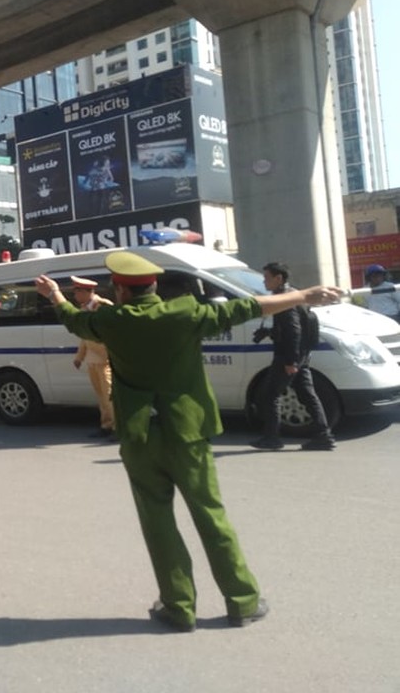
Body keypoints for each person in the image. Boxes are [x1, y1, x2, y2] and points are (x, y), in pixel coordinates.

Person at [35, 251, 344, 632]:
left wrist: (55, 294)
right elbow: (248, 307)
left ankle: (178, 607)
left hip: (140, 436)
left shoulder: (110, 320)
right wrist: (304, 296)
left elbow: (74, 321)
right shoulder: (185, 314)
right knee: (211, 516)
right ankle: (242, 601)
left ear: (119, 289)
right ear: (154, 287)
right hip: (188, 434)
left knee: (158, 521)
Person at [252, 262, 335, 451]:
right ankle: (324, 436)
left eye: (267, 277)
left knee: (270, 394)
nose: (264, 281)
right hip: (301, 354)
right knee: (307, 394)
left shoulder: (285, 299)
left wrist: (290, 361)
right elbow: (290, 328)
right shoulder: (294, 295)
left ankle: (271, 438)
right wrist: (268, 333)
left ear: (278, 278)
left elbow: (293, 330)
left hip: (287, 356)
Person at [69, 276, 115, 440]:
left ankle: (117, 427)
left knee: (110, 395)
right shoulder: (85, 309)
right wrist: (79, 357)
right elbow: (84, 337)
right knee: (101, 396)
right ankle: (106, 425)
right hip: (93, 360)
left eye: (77, 292)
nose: (75, 296)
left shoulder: (102, 306)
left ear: (85, 292)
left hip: (106, 359)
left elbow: (114, 333)